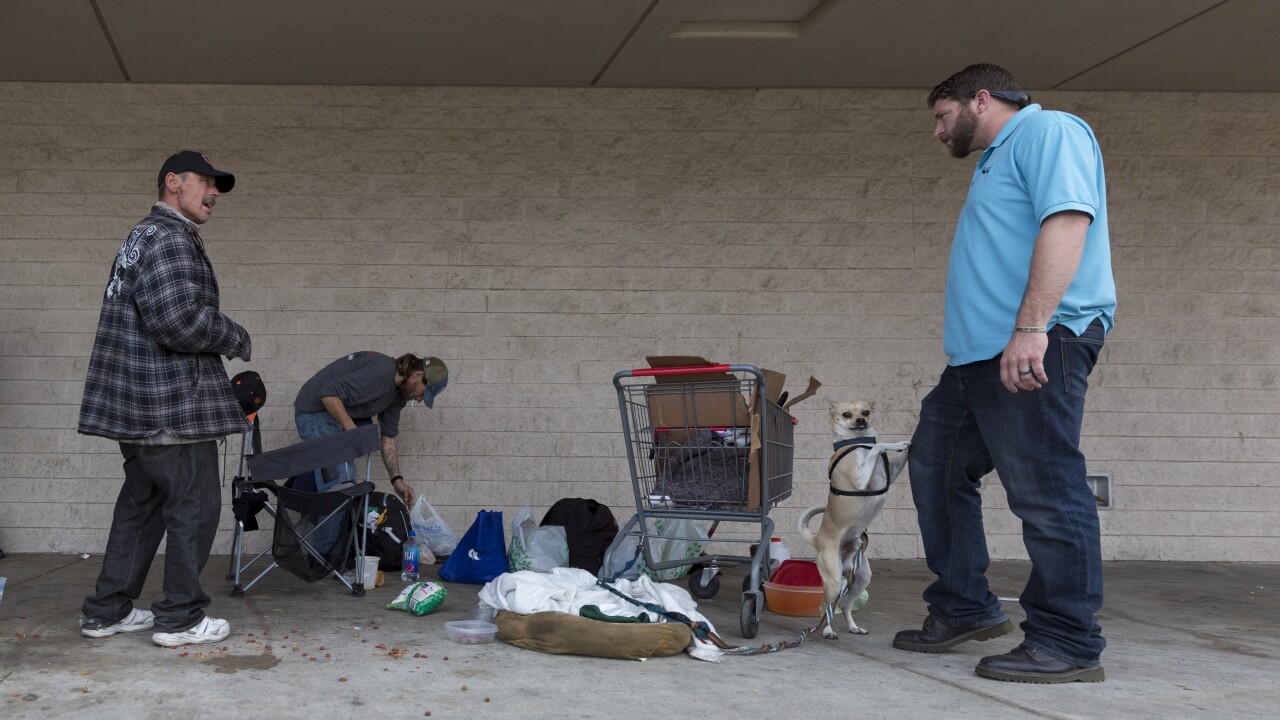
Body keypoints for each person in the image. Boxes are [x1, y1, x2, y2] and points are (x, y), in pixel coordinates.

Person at [893, 64, 1116, 683]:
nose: (938, 132)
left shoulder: (1051, 133)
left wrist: (1031, 327)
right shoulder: (997, 158)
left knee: (1045, 489)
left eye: (942, 116)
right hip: (975, 358)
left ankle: (1068, 641)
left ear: (981, 99)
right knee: (935, 468)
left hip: (1036, 344)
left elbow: (1069, 220)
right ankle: (965, 605)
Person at [78, 150, 251, 648]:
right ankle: (179, 617)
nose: (214, 192)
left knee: (143, 505)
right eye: (206, 182)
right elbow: (177, 321)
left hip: (137, 407)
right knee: (194, 508)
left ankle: (106, 611)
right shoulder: (171, 237)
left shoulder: (139, 238)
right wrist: (234, 335)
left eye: (218, 185)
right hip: (171, 405)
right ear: (172, 182)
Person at [293, 352, 448, 509]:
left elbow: (388, 438)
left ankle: (312, 511)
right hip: (315, 411)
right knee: (339, 485)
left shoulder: (400, 395)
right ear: (417, 375)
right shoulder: (380, 373)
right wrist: (352, 430)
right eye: (423, 393)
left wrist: (397, 481)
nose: (420, 399)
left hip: (334, 417)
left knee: (346, 482)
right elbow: (328, 394)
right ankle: (326, 531)